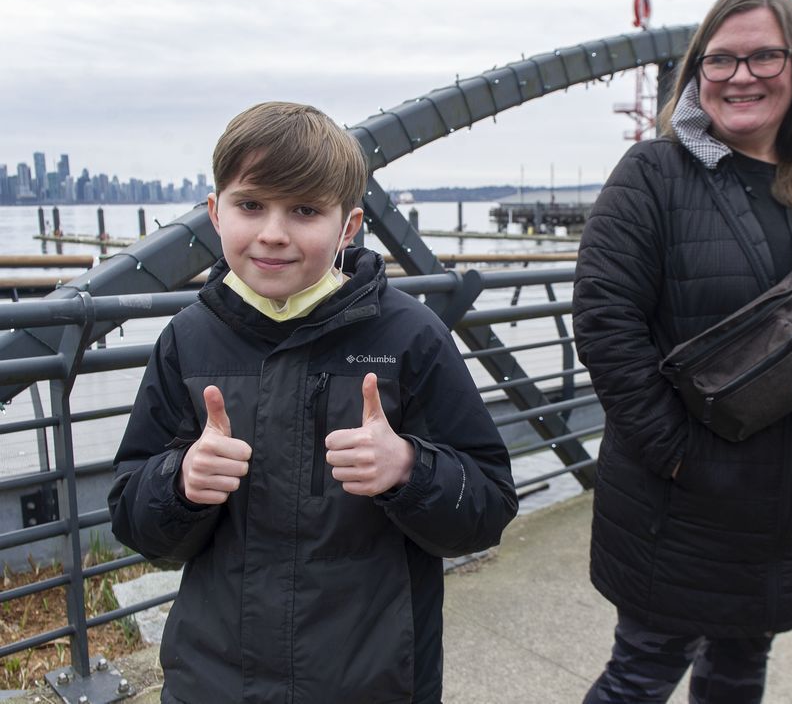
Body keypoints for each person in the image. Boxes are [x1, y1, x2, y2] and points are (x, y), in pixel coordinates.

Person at [572, 0, 792, 704]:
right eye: (720, 59)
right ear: (698, 71)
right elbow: (607, 322)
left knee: (739, 670)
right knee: (641, 672)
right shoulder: (654, 175)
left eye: (764, 56)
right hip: (687, 504)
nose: (741, 76)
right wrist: (675, 455)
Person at [108, 101, 518, 704]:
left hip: (374, 680)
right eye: (251, 205)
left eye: (304, 210)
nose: (274, 232)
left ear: (348, 227)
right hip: (214, 682)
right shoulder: (186, 340)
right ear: (215, 214)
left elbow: (488, 505)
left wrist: (410, 469)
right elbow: (135, 522)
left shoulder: (409, 337)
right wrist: (179, 482)